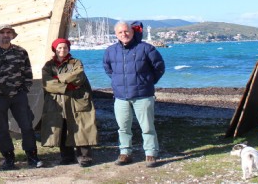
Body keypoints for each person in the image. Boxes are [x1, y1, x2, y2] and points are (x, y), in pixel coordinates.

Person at [0, 24, 44, 170]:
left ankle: (32, 156)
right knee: (2, 128)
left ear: (12, 35)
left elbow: (28, 72)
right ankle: (8, 158)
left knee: (27, 126)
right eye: (3, 33)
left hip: (18, 96)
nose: (6, 35)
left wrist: (24, 90)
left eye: (9, 32)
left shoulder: (21, 52)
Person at [103, 21, 165, 168]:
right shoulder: (111, 51)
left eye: (126, 31)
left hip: (143, 95)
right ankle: (125, 153)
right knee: (123, 127)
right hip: (120, 96)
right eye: (120, 32)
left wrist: (148, 81)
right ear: (116, 34)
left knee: (147, 126)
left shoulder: (146, 48)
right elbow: (107, 68)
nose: (124, 34)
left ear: (132, 31)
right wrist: (118, 81)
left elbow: (159, 67)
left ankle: (150, 154)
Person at [41, 38, 98, 167]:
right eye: (59, 48)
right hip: (58, 102)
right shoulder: (48, 65)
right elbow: (47, 83)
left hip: (76, 99)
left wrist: (57, 79)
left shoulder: (76, 62)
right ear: (55, 49)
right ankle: (66, 157)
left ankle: (85, 157)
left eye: (65, 48)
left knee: (82, 127)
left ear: (68, 49)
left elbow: (78, 76)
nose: (62, 50)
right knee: (62, 127)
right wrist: (66, 86)